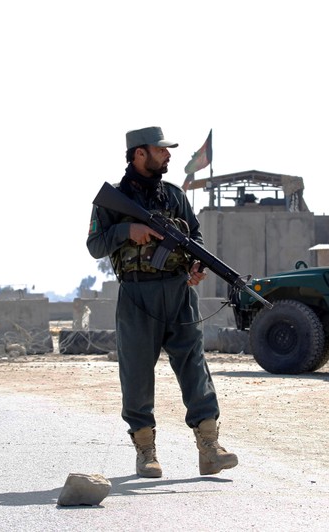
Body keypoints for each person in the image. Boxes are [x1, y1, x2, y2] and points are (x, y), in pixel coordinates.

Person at [86, 126, 238, 478]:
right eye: (161, 150)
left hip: (179, 292)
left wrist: (197, 266)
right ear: (140, 153)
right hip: (138, 295)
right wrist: (127, 232)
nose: (168, 155)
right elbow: (95, 245)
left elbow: (194, 237)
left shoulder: (173, 195)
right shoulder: (113, 199)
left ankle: (210, 447)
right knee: (137, 373)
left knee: (194, 368)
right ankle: (145, 451)